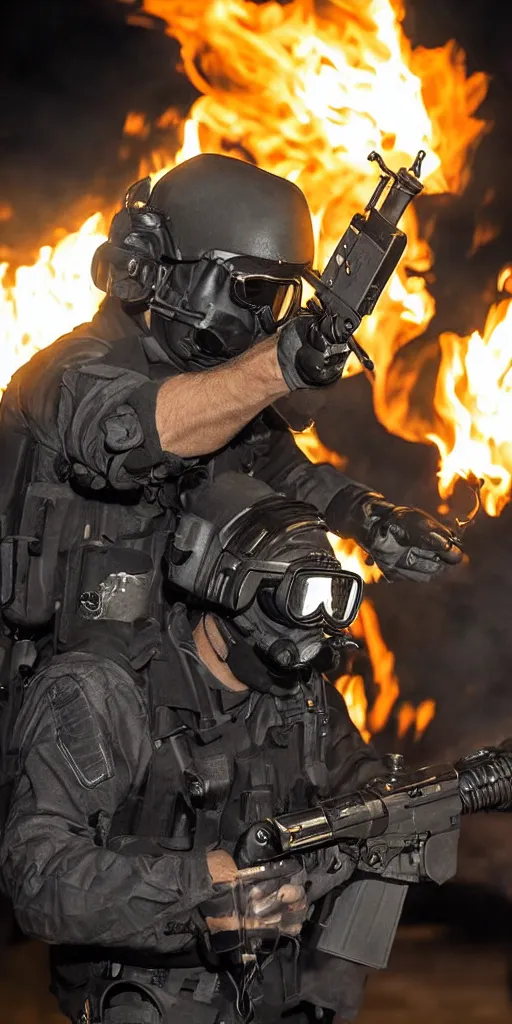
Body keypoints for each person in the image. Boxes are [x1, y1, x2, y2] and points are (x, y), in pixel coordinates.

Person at [0, 153, 462, 662]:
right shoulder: (63, 373)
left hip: (166, 668)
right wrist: (278, 364)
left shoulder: (211, 386)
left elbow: (279, 467)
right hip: (58, 695)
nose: (267, 320)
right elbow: (135, 430)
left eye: (283, 300)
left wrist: (370, 518)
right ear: (168, 274)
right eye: (253, 292)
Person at [0, 473, 394, 1024]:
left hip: (279, 999)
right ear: (229, 586)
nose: (319, 627)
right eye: (300, 597)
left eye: (335, 597)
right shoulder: (103, 691)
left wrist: (310, 870)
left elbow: (369, 798)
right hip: (149, 1001)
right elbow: (36, 874)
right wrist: (201, 890)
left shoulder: (303, 697)